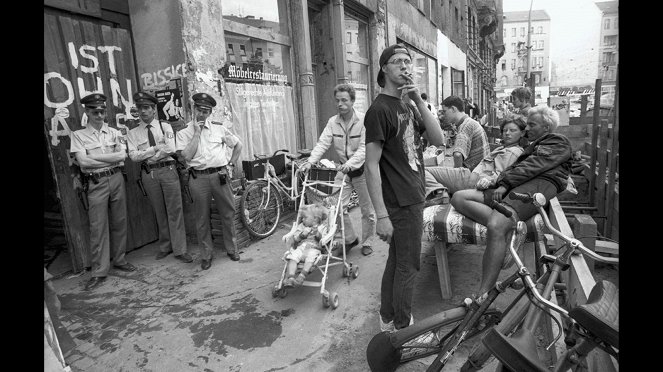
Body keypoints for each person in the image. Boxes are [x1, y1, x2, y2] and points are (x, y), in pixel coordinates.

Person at [450, 105, 572, 303]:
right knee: (459, 197)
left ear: (547, 127)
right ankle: (513, 229)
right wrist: (498, 183)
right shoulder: (533, 145)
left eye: (532, 125)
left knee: (496, 225)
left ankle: (483, 295)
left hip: (538, 185)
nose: (527, 129)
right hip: (518, 186)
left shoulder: (558, 141)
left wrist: (503, 184)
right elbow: (519, 167)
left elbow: (532, 167)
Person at [364, 44, 445, 332]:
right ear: (384, 68)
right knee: (409, 266)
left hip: (414, 193)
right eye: (397, 62)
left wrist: (419, 100)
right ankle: (403, 328)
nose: (405, 66)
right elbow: (370, 165)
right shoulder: (379, 110)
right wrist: (381, 216)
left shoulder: (407, 105)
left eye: (408, 62)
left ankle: (388, 318)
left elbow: (438, 140)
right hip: (400, 201)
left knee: (398, 260)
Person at [70, 93, 137, 291]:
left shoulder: (115, 133)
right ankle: (99, 271)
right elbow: (83, 162)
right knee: (98, 226)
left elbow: (122, 156)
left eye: (102, 111)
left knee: (120, 220)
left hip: (116, 178)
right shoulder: (78, 135)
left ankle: (120, 259)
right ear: (87, 112)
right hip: (96, 181)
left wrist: (99, 158)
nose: (99, 115)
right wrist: (111, 157)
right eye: (95, 111)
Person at [300, 83, 376, 256]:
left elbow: (365, 148)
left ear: (353, 101)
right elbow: (322, 143)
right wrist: (310, 162)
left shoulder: (364, 120)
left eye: (344, 100)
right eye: (337, 100)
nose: (340, 104)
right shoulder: (332, 122)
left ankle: (367, 241)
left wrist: (350, 164)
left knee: (367, 210)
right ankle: (350, 239)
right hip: (343, 170)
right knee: (336, 207)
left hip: (363, 170)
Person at [176, 92, 243, 269]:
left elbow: (238, 145)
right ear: (193, 109)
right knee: (202, 218)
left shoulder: (219, 129)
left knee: (228, 214)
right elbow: (186, 156)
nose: (202, 114)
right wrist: (197, 133)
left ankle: (232, 248)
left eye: (206, 111)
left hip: (220, 175)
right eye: (199, 109)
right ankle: (206, 255)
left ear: (210, 113)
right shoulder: (184, 133)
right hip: (198, 178)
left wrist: (230, 164)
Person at [127, 91, 191, 263]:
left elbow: (170, 148)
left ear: (154, 109)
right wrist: (155, 149)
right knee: (159, 210)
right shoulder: (133, 133)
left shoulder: (165, 127)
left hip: (168, 170)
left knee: (174, 210)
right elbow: (133, 156)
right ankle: (165, 246)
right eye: (140, 108)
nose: (143, 111)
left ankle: (180, 249)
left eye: (147, 107)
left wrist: (151, 156)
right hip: (149, 175)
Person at [423, 114, 527, 198]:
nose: (507, 133)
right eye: (505, 130)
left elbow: (500, 175)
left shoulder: (513, 152)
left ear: (522, 133)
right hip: (471, 174)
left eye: (512, 130)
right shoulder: (504, 148)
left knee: (422, 171)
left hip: (471, 178)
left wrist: (487, 181)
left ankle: (440, 194)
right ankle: (441, 192)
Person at [281, 203, 329, 287]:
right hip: (300, 247)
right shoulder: (301, 226)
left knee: (310, 258)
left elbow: (323, 241)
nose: (302, 219)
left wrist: (317, 234)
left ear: (315, 219)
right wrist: (302, 235)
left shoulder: (322, 227)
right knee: (293, 257)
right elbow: (295, 239)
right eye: (302, 217)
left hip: (314, 248)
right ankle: (291, 277)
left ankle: (301, 276)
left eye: (305, 217)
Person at [438, 95, 490, 171]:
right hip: (481, 170)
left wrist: (457, 176)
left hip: (474, 174)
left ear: (453, 109)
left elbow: (458, 155)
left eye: (444, 111)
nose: (443, 115)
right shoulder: (470, 122)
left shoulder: (465, 126)